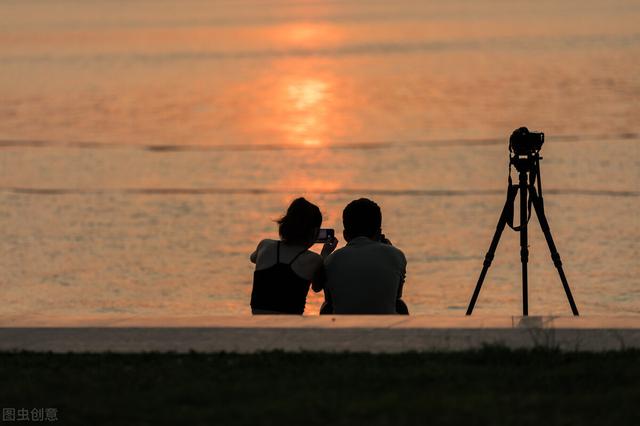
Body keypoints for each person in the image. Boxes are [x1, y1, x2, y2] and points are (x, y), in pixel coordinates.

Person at [250, 197, 338, 314]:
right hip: (290, 326)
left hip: (258, 322)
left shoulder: (265, 245)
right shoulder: (313, 259)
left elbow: (253, 258)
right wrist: (325, 254)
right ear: (314, 232)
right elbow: (317, 287)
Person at [322, 198, 408, 315]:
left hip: (344, 326)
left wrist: (325, 257)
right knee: (400, 305)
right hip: (383, 326)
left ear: (345, 235)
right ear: (379, 232)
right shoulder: (397, 255)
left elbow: (329, 297)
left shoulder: (332, 259)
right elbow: (396, 295)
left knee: (326, 306)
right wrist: (391, 251)